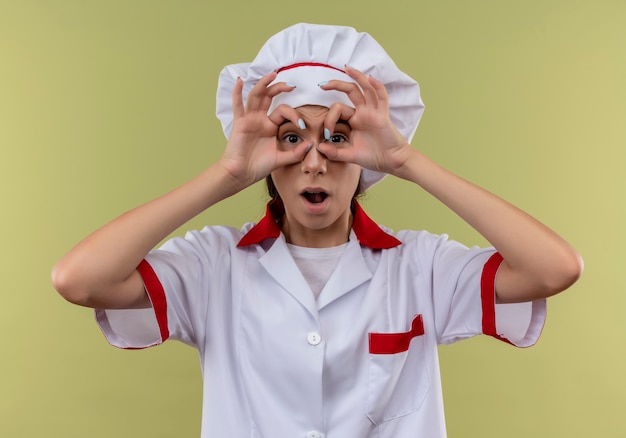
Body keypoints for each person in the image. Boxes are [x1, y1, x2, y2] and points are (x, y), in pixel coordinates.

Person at [51, 23, 583, 437]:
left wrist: (406, 159)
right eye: (288, 138)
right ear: (263, 154)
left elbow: (554, 268)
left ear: (365, 156)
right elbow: (79, 279)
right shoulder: (214, 265)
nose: (313, 161)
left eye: (337, 135)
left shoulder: (419, 266)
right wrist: (226, 175)